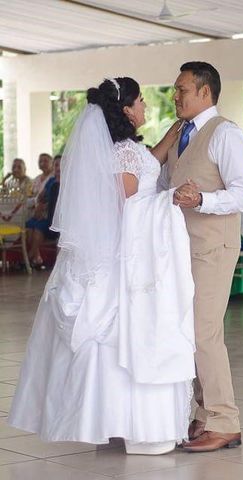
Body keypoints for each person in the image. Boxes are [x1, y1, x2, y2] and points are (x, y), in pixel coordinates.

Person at [9, 77, 195, 456]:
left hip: (120, 251)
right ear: (126, 109)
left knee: (109, 346)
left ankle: (109, 423)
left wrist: (168, 140)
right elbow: (126, 205)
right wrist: (168, 200)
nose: (146, 106)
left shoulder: (120, 149)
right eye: (141, 101)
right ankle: (130, 424)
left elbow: (144, 166)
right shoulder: (122, 154)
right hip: (122, 256)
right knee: (118, 340)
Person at [163, 61, 243, 452]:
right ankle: (202, 415)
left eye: (182, 89)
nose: (176, 96)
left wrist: (202, 199)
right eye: (175, 90)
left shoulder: (225, 134)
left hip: (214, 247)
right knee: (189, 333)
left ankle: (225, 421)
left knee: (204, 333)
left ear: (205, 92)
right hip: (183, 250)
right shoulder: (181, 133)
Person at [25, 156, 61, 268]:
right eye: (56, 165)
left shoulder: (67, 181)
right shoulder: (51, 180)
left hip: (55, 217)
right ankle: (36, 257)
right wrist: (41, 204)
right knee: (30, 225)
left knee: (38, 228)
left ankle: (30, 257)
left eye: (60, 165)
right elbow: (41, 196)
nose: (58, 168)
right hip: (46, 213)